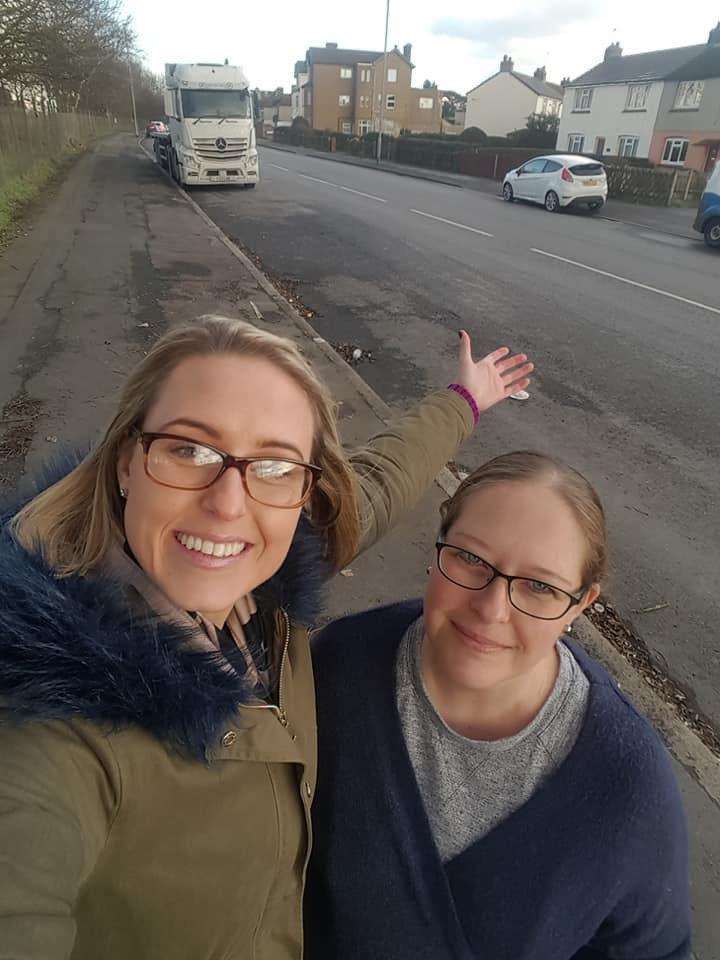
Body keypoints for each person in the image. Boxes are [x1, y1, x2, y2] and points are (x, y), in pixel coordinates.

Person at [0, 315, 531, 960]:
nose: (229, 503)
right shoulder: (48, 729)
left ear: (304, 491)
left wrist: (463, 400)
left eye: (276, 465)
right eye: (189, 450)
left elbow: (382, 478)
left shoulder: (269, 572)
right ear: (125, 464)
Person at [308, 451, 691, 960]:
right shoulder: (339, 668)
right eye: (471, 558)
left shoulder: (626, 786)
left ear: (579, 604)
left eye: (539, 587)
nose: (491, 610)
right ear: (438, 545)